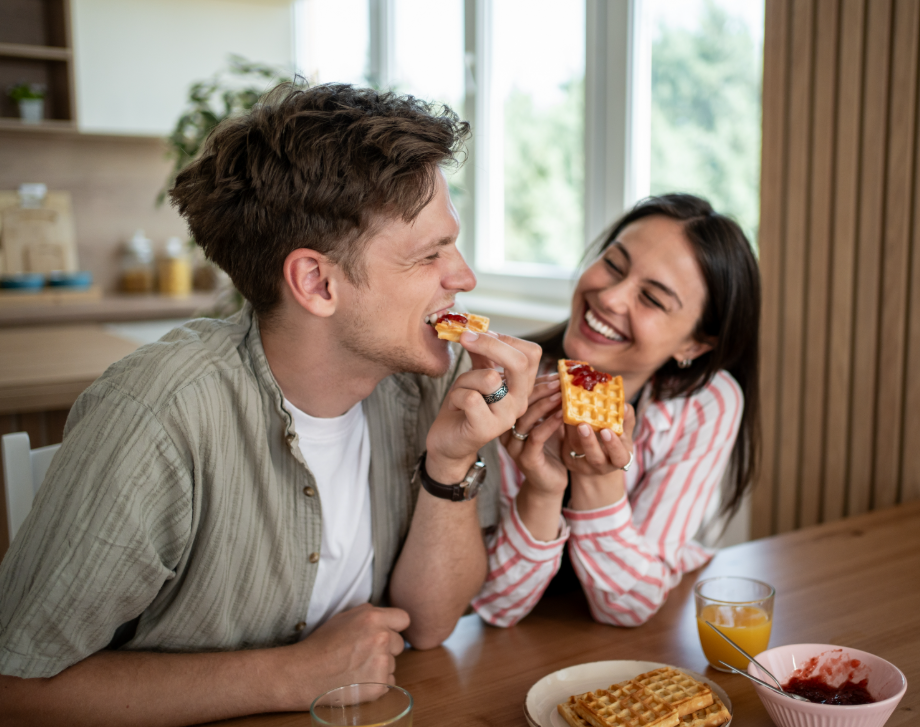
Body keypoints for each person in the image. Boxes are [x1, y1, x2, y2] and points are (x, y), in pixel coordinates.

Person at [0, 83, 539, 726]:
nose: (464, 278)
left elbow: (429, 625)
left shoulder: (429, 385)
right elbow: (17, 688)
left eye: (450, 243)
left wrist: (450, 462)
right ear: (316, 282)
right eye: (429, 256)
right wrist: (293, 675)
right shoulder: (157, 417)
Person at [471, 194, 760, 628]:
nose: (610, 297)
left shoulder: (707, 402)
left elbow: (628, 608)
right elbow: (493, 605)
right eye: (614, 265)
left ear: (694, 345)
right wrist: (544, 491)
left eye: (653, 299)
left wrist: (596, 479)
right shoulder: (501, 383)